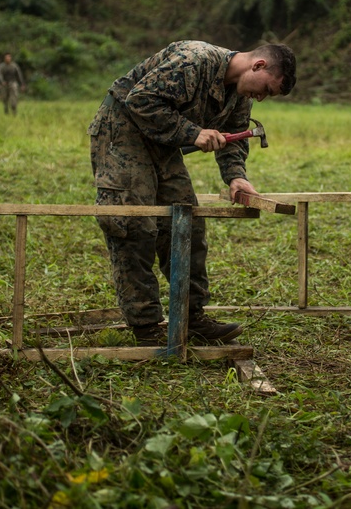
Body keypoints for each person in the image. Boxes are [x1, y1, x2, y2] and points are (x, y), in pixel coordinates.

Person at [88, 40, 297, 345]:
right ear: (258, 65)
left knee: (186, 222)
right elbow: (140, 100)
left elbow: (234, 138)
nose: (261, 98)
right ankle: (146, 327)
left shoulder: (239, 97)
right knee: (134, 225)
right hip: (123, 130)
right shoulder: (194, 61)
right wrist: (194, 133)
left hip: (163, 143)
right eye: (266, 89)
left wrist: (236, 177)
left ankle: (191, 318)